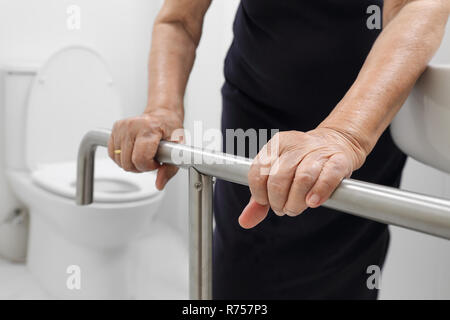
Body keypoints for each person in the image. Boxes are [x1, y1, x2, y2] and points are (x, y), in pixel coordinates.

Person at [108, 0, 449, 299]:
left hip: (364, 120)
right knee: (242, 266)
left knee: (348, 272)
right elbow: (178, 19)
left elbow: (416, 5)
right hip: (258, 113)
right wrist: (162, 110)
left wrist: (345, 134)